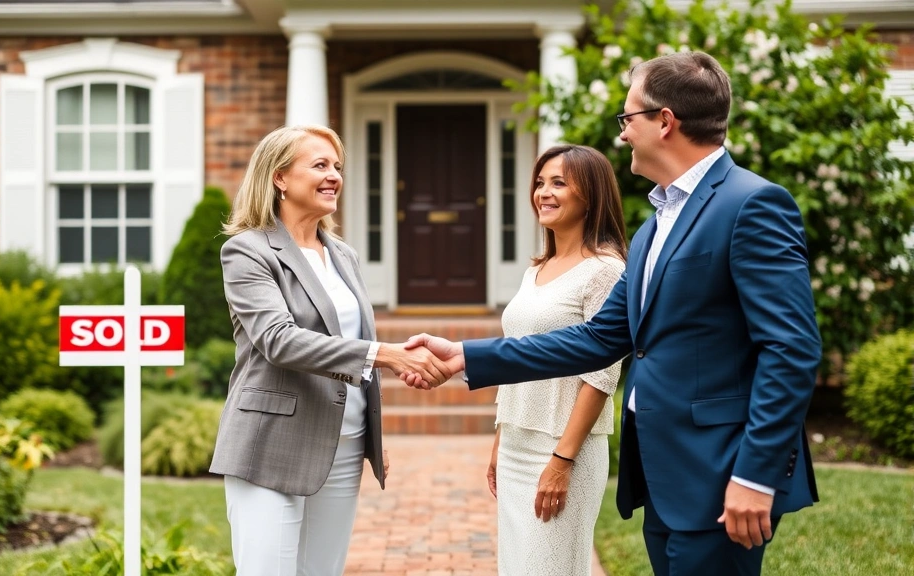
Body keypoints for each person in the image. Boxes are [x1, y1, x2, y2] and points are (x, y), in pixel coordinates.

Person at [405, 52, 821, 576]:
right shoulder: (654, 227)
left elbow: (791, 349)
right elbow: (599, 338)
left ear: (664, 122)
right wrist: (464, 355)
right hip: (665, 480)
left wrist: (756, 475)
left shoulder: (752, 204)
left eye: (628, 119)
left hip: (723, 474)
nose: (623, 134)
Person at [209, 125, 450, 576]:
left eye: (337, 166)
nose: (334, 175)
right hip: (270, 445)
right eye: (319, 165)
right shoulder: (247, 251)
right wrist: (389, 355)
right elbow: (278, 339)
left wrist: (370, 427)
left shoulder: (343, 254)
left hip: (342, 444)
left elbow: (348, 338)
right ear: (279, 178)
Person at [488, 144, 628, 575]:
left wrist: (562, 461)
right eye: (540, 182)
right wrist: (500, 439)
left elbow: (602, 376)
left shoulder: (606, 270)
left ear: (591, 194)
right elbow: (517, 360)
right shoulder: (538, 269)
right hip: (516, 443)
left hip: (564, 448)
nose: (543, 193)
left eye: (559, 183)